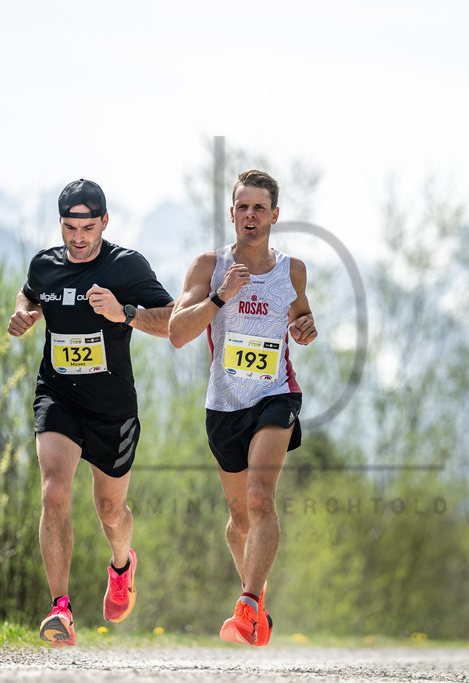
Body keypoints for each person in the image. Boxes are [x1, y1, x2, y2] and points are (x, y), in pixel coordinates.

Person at [8, 178, 174, 646]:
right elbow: (30, 293)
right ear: (59, 224)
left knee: (109, 509)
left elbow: (173, 319)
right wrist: (25, 312)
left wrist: (125, 312)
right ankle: (60, 609)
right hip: (58, 395)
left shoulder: (126, 266)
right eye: (68, 227)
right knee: (54, 493)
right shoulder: (45, 264)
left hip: (112, 408)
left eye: (87, 227)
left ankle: (122, 565)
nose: (78, 237)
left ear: (104, 222)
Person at [169, 169, 317, 646]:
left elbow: (300, 317)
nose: (250, 215)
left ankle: (248, 604)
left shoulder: (291, 271)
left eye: (260, 208)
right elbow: (177, 333)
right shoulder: (208, 267)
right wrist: (219, 296)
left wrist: (305, 328)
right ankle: (257, 597)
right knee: (238, 521)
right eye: (242, 207)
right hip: (225, 405)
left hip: (275, 395)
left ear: (275, 215)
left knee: (260, 497)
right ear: (231, 214)